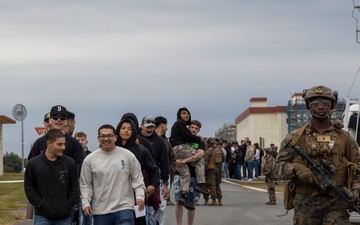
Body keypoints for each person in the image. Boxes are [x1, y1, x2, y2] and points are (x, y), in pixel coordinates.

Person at [274, 85, 360, 225]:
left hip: (336, 203)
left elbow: (358, 169)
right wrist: (296, 169)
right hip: (305, 203)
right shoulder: (296, 138)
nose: (320, 107)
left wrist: (356, 191)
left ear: (331, 105)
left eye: (325, 103)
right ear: (309, 106)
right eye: (315, 104)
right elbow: (276, 168)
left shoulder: (344, 138)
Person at [80, 124, 145, 225]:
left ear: (115, 137)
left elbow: (137, 179)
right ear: (98, 138)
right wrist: (85, 203)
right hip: (101, 210)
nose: (106, 139)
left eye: (110, 136)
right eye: (103, 136)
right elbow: (85, 184)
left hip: (124, 207)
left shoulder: (128, 155)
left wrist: (140, 197)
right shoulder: (90, 159)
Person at [24, 129, 80, 225]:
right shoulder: (34, 163)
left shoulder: (70, 163)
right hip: (42, 216)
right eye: (59, 144)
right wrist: (40, 204)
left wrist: (67, 205)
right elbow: (29, 187)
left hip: (64, 216)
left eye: (64, 144)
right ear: (49, 143)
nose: (63, 147)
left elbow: (75, 187)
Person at [115, 116, 160, 225]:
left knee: (139, 222)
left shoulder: (141, 150)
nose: (126, 131)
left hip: (137, 196)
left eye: (129, 129)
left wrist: (153, 185)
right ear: (118, 130)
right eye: (123, 128)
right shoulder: (110, 149)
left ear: (134, 131)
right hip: (114, 195)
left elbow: (154, 170)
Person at [28, 105, 85, 175]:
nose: (58, 120)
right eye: (55, 117)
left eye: (62, 118)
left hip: (66, 183)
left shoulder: (74, 144)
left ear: (66, 121)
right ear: (49, 120)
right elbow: (31, 165)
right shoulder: (39, 143)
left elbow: (81, 164)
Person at [169, 107, 209, 204]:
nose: (186, 115)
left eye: (188, 114)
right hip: (181, 148)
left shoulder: (180, 126)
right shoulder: (180, 123)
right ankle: (201, 184)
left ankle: (183, 195)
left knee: (185, 173)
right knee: (200, 158)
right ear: (179, 115)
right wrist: (199, 140)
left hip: (176, 152)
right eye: (183, 113)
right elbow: (188, 137)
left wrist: (182, 161)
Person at [139, 116, 170, 225]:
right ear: (141, 126)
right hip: (139, 177)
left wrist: (165, 184)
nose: (149, 129)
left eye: (152, 127)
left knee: (158, 207)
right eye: (147, 127)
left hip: (154, 178)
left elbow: (165, 163)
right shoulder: (136, 138)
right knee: (140, 207)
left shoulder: (160, 141)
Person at [155, 116, 177, 206]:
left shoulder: (166, 141)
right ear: (162, 125)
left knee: (161, 206)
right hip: (152, 176)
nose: (167, 128)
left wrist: (170, 169)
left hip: (164, 175)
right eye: (166, 125)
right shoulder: (149, 140)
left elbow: (172, 157)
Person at [74, 131, 92, 225]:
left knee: (87, 217)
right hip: (76, 190)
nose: (80, 142)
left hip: (89, 190)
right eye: (78, 140)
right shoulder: (72, 156)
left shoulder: (91, 155)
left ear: (86, 141)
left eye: (82, 140)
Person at [203, 138, 223, 206]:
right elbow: (224, 159)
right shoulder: (219, 150)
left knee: (211, 185)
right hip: (218, 169)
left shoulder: (208, 151)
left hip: (210, 170)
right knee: (217, 185)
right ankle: (220, 200)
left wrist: (204, 171)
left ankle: (213, 200)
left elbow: (205, 162)